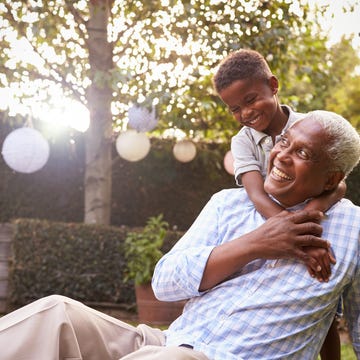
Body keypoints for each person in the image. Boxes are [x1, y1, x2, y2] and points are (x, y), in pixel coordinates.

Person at [0, 110, 359, 360]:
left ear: (331, 179)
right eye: (284, 142)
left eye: (303, 153)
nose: (281, 156)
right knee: (55, 315)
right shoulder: (227, 205)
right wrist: (255, 244)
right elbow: (165, 283)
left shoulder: (352, 230)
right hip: (169, 341)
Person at [213, 49, 345, 359]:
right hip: (269, 227)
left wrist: (312, 215)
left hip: (314, 224)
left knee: (321, 305)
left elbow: (339, 184)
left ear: (273, 86)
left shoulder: (310, 126)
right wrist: (294, 234)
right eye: (234, 108)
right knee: (279, 300)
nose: (245, 113)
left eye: (250, 100)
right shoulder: (242, 141)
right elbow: (257, 195)